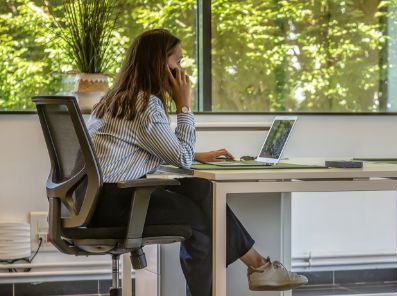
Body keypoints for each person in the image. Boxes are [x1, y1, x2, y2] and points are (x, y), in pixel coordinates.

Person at [86, 29, 307, 296]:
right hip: (119, 203)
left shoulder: (117, 100)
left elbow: (143, 152)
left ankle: (260, 268)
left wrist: (196, 155)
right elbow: (180, 158)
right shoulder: (145, 106)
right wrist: (184, 107)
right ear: (160, 64)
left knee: (201, 190)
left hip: (102, 199)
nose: (182, 71)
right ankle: (259, 267)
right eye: (177, 62)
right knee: (201, 220)